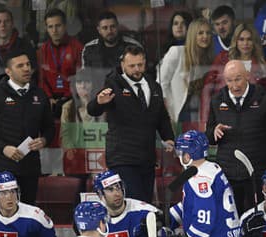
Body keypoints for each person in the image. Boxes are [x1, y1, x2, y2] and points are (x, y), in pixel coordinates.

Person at [87, 45, 175, 203]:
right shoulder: (113, 83)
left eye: (140, 65)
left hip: (146, 157)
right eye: (131, 66)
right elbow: (93, 110)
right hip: (122, 158)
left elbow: (161, 116)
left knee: (145, 203)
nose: (136, 69)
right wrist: (99, 102)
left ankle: (145, 229)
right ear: (123, 65)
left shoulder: (153, 86)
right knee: (133, 202)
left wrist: (168, 137)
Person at [0, 50, 55, 205]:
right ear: (8, 71)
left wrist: (44, 140)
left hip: (30, 167)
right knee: (5, 212)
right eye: (20, 66)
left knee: (28, 212)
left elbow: (49, 128)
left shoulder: (39, 94)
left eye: (28, 64)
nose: (26, 69)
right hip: (3, 166)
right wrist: (4, 148)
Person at [206, 60, 266, 215]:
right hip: (228, 174)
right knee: (230, 219)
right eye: (229, 81)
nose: (234, 86)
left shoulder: (263, 99)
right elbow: (209, 137)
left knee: (256, 221)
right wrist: (214, 131)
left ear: (247, 76)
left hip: (256, 174)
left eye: (238, 79)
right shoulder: (217, 100)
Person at [167, 130, 242, 237]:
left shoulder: (198, 178)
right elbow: (197, 202)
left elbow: (205, 218)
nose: (178, 156)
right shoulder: (211, 167)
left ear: (188, 156)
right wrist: (170, 216)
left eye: (180, 152)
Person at [93, 170, 165, 237]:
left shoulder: (146, 211)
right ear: (100, 194)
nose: (117, 193)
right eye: (110, 190)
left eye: (118, 187)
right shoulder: (95, 218)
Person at [200, 23, 266, 123]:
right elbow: (207, 90)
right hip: (223, 118)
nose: (245, 43)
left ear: (254, 42)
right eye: (241, 39)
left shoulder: (263, 67)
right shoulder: (222, 59)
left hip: (251, 122)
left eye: (249, 39)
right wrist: (205, 120)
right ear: (236, 41)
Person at [157, 17, 214, 132]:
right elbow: (161, 83)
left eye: (208, 33)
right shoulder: (177, 52)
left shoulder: (209, 60)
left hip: (199, 113)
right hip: (177, 111)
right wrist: (167, 114)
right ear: (193, 35)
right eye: (200, 33)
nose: (205, 36)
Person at [37, 8, 83, 118]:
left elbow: (81, 78)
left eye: (58, 26)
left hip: (72, 98)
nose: (54, 30)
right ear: (46, 29)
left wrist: (66, 98)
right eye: (50, 27)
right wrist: (48, 97)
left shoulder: (77, 47)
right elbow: (41, 79)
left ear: (65, 26)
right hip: (49, 99)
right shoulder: (42, 50)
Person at [81, 11, 142, 83]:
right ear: (99, 30)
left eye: (112, 26)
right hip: (98, 91)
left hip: (126, 91)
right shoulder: (89, 49)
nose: (109, 31)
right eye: (105, 28)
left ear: (118, 26)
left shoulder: (133, 46)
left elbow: (140, 77)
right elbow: (86, 77)